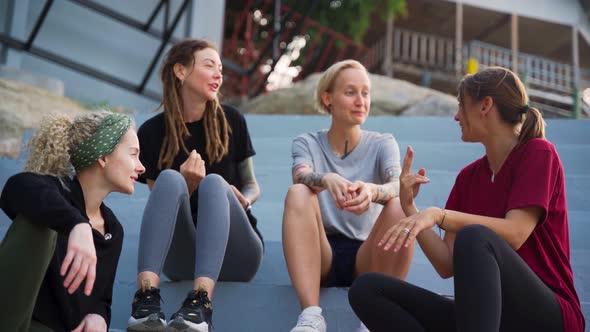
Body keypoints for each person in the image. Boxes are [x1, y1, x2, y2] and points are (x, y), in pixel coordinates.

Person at [349, 66, 585, 332]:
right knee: (368, 289)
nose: (456, 115)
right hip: (487, 320)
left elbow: (516, 232)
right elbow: (446, 263)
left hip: (550, 317)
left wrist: (439, 215)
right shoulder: (468, 178)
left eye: (461, 105)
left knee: (476, 236)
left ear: (485, 105)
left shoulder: (538, 152)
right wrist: (410, 207)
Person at [127, 38, 263, 332]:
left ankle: (201, 304)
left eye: (221, 69)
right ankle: (146, 298)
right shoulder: (151, 133)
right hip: (182, 257)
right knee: (169, 178)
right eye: (209, 65)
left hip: (237, 252)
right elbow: (162, 209)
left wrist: (243, 199)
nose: (219, 74)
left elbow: (253, 185)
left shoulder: (232, 121)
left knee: (215, 183)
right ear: (180, 71)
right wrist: (186, 187)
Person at [282, 59, 414, 332]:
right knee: (298, 192)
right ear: (327, 98)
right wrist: (326, 179)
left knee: (400, 206)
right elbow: (300, 175)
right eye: (350, 92)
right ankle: (311, 315)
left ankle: (375, 320)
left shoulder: (383, 143)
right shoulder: (306, 142)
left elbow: (396, 186)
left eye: (365, 93)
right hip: (322, 254)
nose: (360, 101)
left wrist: (372, 190)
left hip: (369, 255)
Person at [0, 111, 144, 332]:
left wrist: (99, 315)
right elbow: (16, 187)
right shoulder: (55, 191)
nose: (141, 167)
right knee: (42, 224)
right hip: (16, 321)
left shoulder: (113, 230)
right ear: (103, 157)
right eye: (133, 154)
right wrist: (77, 224)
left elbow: (101, 298)